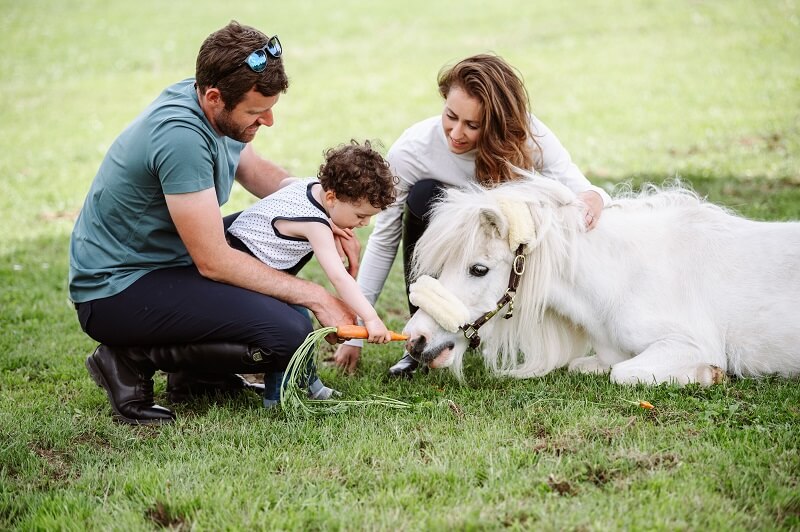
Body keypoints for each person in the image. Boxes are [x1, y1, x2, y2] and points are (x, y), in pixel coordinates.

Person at [69, 21, 359, 425]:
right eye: (257, 112)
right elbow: (213, 261)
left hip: (171, 261)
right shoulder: (181, 137)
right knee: (290, 331)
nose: (269, 121)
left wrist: (327, 208)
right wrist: (316, 295)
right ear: (214, 97)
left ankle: (198, 377)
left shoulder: (213, 106)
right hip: (117, 289)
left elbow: (261, 175)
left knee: (302, 226)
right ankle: (127, 357)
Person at [332, 53, 611, 377]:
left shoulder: (529, 137)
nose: (456, 133)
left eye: (472, 125)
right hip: (446, 250)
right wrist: (358, 328)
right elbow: (384, 240)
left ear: (497, 124)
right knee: (424, 196)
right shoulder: (413, 151)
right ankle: (428, 331)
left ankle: (503, 334)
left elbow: (586, 191)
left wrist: (595, 197)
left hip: (501, 272)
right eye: (450, 116)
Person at [226, 140, 398, 404]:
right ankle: (278, 397)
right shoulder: (315, 224)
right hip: (242, 271)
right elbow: (339, 277)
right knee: (289, 327)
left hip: (250, 258)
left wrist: (333, 219)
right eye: (360, 215)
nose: (364, 223)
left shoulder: (309, 185)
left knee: (301, 321)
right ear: (332, 198)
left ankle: (310, 384)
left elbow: (285, 186)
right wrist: (370, 318)